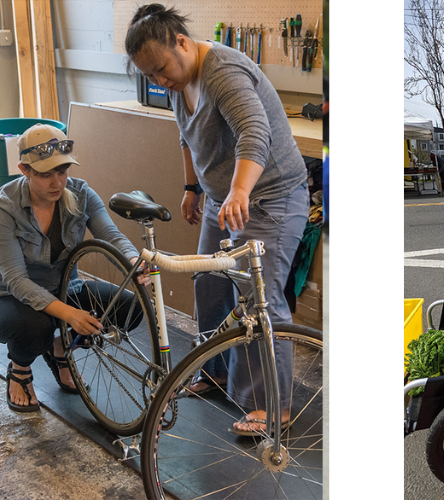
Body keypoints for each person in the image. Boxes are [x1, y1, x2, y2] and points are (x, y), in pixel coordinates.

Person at [124, 3, 309, 435]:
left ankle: (270, 406)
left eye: (161, 69)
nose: (159, 80)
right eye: (149, 75)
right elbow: (186, 137)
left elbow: (254, 132)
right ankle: (215, 373)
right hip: (221, 199)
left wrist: (240, 190)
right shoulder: (176, 80)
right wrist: (193, 189)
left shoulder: (222, 72)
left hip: (269, 199)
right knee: (208, 285)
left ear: (182, 43)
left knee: (257, 301)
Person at [0, 123, 147, 413]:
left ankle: (59, 349)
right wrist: (70, 314)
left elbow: (111, 236)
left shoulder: (81, 194)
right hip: (6, 299)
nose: (57, 182)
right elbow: (17, 281)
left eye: (63, 170)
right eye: (45, 174)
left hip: (64, 288)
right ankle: (20, 368)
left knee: (129, 308)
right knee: (37, 325)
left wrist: (133, 261)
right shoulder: (1, 208)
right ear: (25, 169)